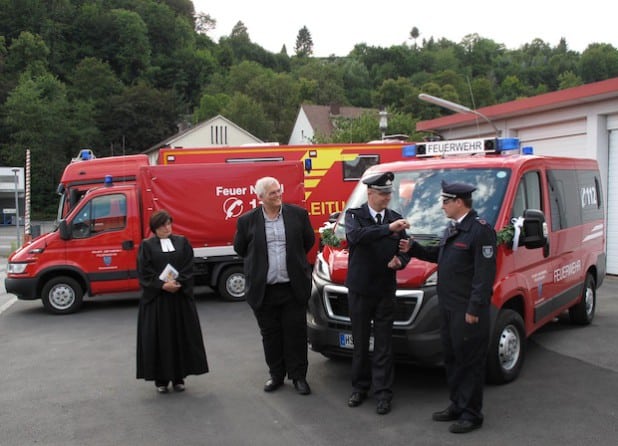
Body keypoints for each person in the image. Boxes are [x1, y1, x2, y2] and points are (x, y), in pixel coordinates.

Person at [402, 180, 496, 433]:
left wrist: (474, 310)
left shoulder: (480, 230)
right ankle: (457, 404)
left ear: (458, 202)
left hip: (467, 311)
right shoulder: (453, 228)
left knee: (470, 362)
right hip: (448, 307)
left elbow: (483, 276)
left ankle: (472, 413)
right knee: (453, 358)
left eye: (445, 201)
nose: (441, 206)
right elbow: (439, 256)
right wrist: (414, 248)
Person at [233, 176, 315, 395]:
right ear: (261, 198)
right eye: (272, 193)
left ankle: (299, 377)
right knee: (271, 335)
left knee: (296, 334)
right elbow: (240, 249)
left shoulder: (298, 215)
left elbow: (308, 242)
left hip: (292, 288)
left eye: (279, 190)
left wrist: (295, 264)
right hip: (264, 290)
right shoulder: (247, 221)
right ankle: (276, 376)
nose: (278, 195)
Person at [344, 171, 411, 415]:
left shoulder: (395, 218)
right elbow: (356, 237)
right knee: (360, 342)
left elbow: (405, 249)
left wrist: (401, 261)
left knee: (383, 344)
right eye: (383, 194)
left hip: (384, 290)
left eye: (389, 193)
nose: (387, 198)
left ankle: (383, 393)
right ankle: (360, 388)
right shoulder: (355, 216)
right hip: (361, 290)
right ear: (370, 193)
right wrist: (387, 228)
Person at [136, 210, 209, 393]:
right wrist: (161, 285)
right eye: (163, 226)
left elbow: (188, 266)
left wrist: (179, 283)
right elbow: (144, 271)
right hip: (158, 302)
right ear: (154, 228)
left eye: (169, 224)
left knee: (179, 337)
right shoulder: (147, 246)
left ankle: (179, 378)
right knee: (160, 339)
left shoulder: (182, 242)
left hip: (179, 299)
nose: (167, 228)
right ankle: (161, 380)